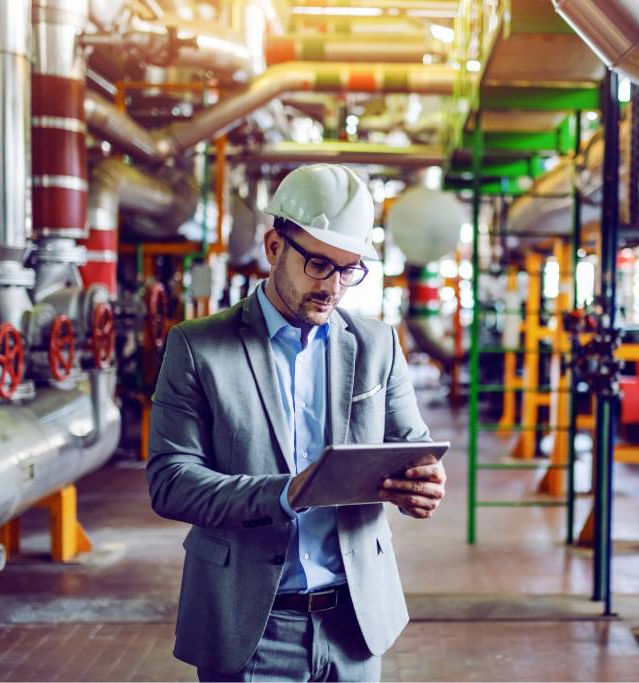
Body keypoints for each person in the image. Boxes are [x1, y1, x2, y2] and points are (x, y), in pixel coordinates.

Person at [146, 164, 446, 682]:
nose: (332, 287)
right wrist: (287, 493)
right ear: (273, 247)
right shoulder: (198, 347)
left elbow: (412, 446)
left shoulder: (377, 345)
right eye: (318, 264)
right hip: (251, 628)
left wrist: (423, 484)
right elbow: (170, 482)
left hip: (355, 625)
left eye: (349, 270)